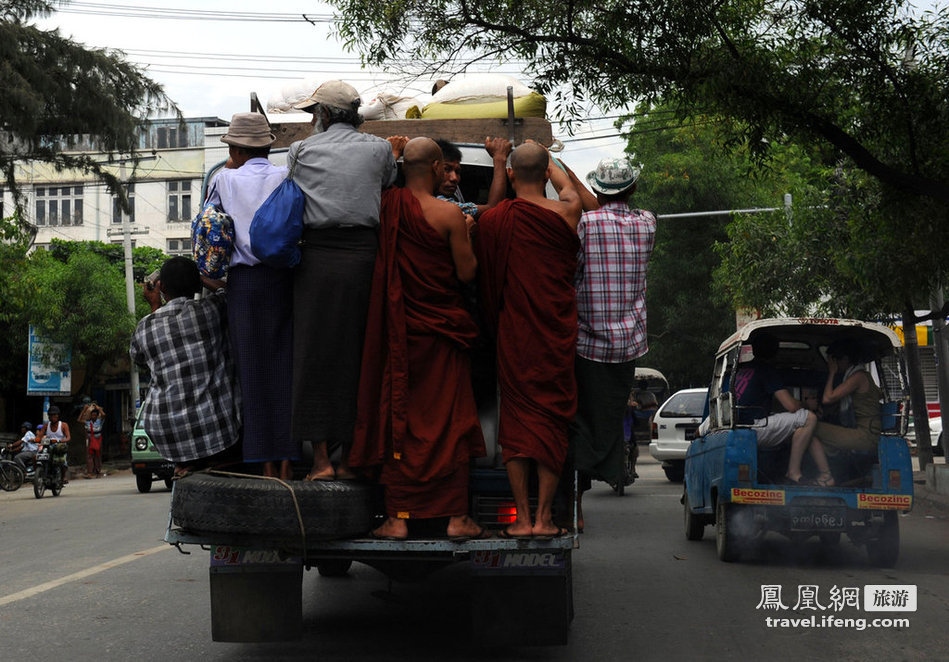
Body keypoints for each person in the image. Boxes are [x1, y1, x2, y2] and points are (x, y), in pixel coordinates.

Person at [350, 138, 488, 540]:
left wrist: (391, 158)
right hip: (442, 335)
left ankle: (397, 518)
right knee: (450, 421)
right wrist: (467, 232)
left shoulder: (383, 207)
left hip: (399, 335)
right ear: (434, 167)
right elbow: (466, 275)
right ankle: (457, 517)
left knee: (401, 418)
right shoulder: (447, 216)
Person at [289, 80, 398, 481]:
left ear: (325, 115)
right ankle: (352, 458)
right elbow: (386, 184)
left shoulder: (300, 151)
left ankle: (321, 462)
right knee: (361, 356)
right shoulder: (380, 149)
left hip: (316, 259)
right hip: (364, 259)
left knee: (314, 357)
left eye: (315, 112)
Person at [475, 141, 582, 539]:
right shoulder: (566, 211)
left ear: (511, 176)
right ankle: (545, 519)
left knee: (517, 424)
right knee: (552, 421)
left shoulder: (493, 221)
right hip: (554, 338)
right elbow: (569, 187)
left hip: (516, 337)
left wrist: (500, 160)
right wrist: (546, 156)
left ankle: (521, 518)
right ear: (545, 174)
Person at [206, 112, 296, 480]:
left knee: (252, 374)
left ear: (236, 148)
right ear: (268, 145)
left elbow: (208, 227)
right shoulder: (285, 175)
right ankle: (289, 463)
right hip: (284, 279)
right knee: (285, 369)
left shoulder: (223, 179)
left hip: (242, 284)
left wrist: (231, 164)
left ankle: (266, 467)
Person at [568, 157, 656, 522]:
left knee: (580, 419)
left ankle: (576, 496)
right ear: (633, 189)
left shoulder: (585, 224)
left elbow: (591, 211)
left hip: (587, 344)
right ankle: (607, 465)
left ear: (596, 191)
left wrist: (564, 173)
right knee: (606, 419)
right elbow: (605, 208)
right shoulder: (647, 223)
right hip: (627, 347)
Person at [130, 256, 242, 477]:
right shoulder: (211, 310)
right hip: (218, 430)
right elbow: (235, 293)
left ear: (161, 287)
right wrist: (201, 277)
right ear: (196, 284)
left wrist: (155, 305)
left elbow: (139, 358)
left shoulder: (144, 327)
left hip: (167, 436)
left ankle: (186, 461)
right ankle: (216, 458)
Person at [732, 333, 829, 484]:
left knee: (798, 432)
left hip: (735, 427)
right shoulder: (766, 369)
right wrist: (807, 405)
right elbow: (791, 406)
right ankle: (793, 472)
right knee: (809, 418)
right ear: (775, 352)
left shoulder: (740, 370)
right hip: (754, 428)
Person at [788, 339, 882, 487]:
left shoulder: (858, 376)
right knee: (808, 439)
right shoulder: (853, 376)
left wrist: (832, 372)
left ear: (845, 359)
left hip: (865, 435)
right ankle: (829, 476)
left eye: (834, 361)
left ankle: (826, 476)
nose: (833, 365)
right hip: (860, 432)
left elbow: (828, 398)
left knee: (808, 428)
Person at [434, 137, 512, 218]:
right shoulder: (441, 204)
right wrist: (499, 158)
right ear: (432, 168)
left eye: (457, 172)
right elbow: (493, 209)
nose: (454, 178)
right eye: (446, 169)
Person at [34, 405, 70, 482]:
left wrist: (60, 441)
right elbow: (39, 436)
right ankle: (38, 474)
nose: (52, 417)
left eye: (54, 415)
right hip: (48, 445)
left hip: (60, 446)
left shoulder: (63, 425)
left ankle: (63, 476)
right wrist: (35, 439)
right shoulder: (46, 426)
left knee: (62, 461)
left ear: (58, 416)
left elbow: (68, 437)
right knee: (37, 456)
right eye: (50, 415)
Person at [78, 401, 105, 478]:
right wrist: (84, 410)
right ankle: (90, 472)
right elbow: (79, 420)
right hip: (90, 440)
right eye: (92, 415)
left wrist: (98, 408)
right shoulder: (87, 422)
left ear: (97, 416)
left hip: (98, 439)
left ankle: (97, 471)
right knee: (89, 456)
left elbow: (103, 415)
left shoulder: (99, 421)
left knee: (98, 455)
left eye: (95, 415)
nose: (93, 416)